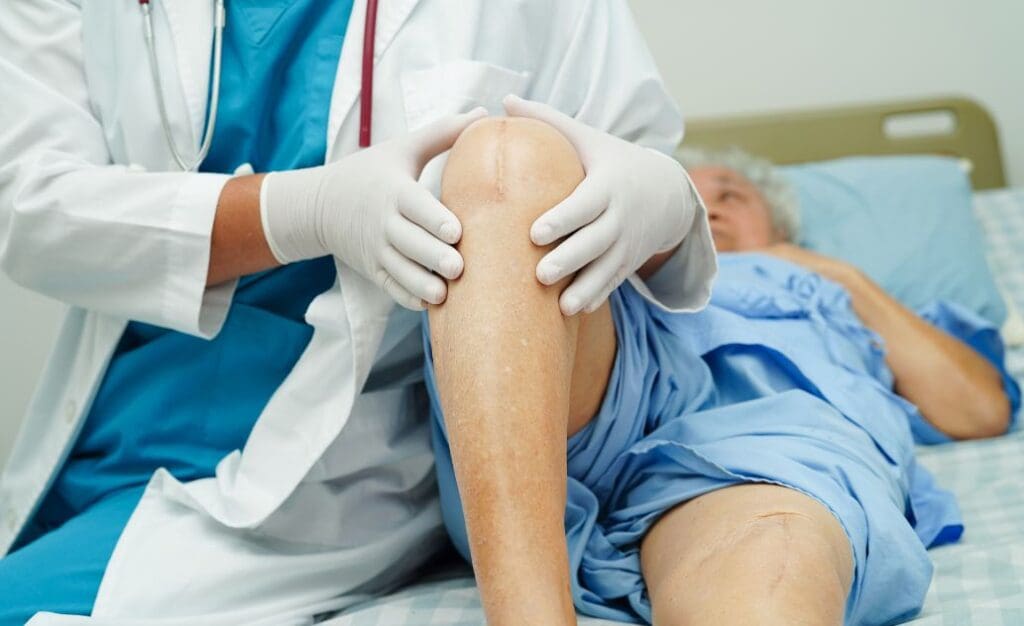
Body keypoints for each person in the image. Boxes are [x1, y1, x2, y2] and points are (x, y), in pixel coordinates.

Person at [0, 1, 715, 624]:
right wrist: (297, 210)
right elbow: (27, 204)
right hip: (132, 416)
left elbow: (618, 174)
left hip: (353, 454)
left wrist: (663, 200)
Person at [423, 120, 1020, 624]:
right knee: (512, 155)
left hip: (760, 455)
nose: (708, 206)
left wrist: (840, 277)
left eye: (730, 194)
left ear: (782, 224)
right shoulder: (636, 276)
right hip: (597, 389)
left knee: (768, 565)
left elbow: (978, 409)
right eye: (691, 196)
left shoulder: (828, 291)